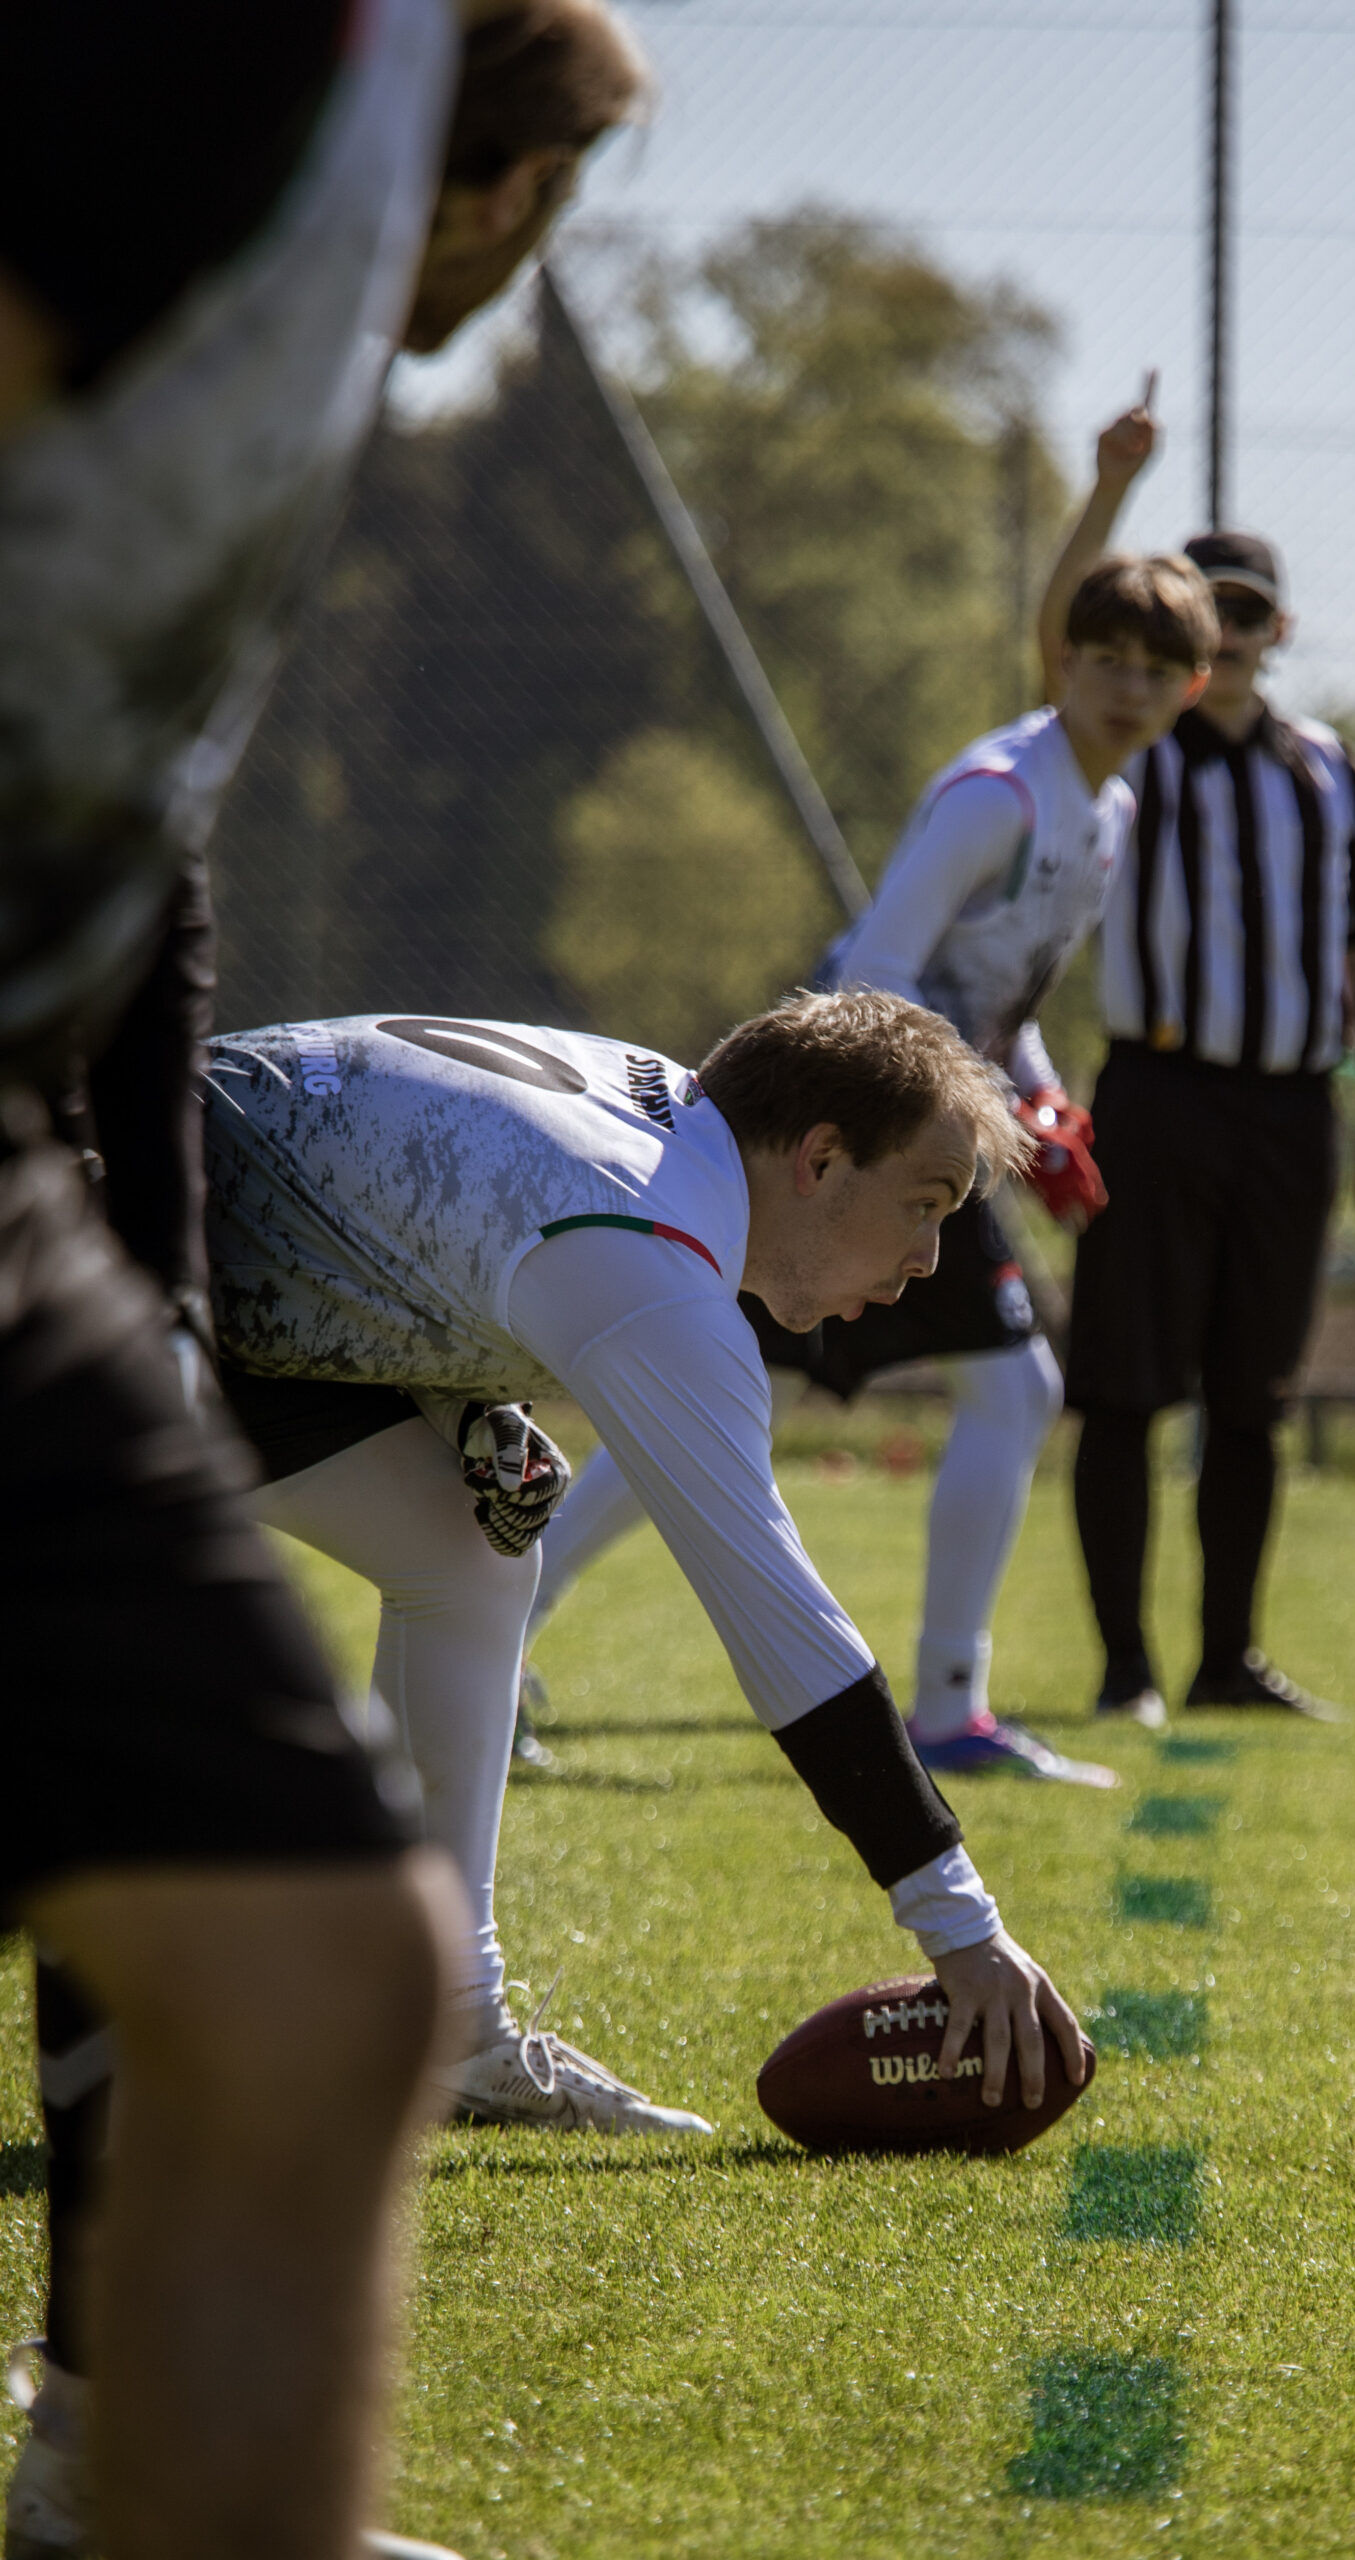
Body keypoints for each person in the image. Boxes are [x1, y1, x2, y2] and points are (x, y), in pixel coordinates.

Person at [1, 8, 650, 2556]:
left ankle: (105, 2463)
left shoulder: (301, 233)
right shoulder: (235, 54)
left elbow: (127, 830)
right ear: (508, 197)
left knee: (309, 1970)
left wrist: (143, 1266)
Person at [194, 992, 1088, 2140]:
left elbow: (400, 1192)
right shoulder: (653, 1255)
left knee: (463, 1555)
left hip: (191, 1235)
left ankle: (445, 2031)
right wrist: (959, 1926)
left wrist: (456, 1393)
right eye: (923, 1207)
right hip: (101, 1227)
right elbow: (783, 1628)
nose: (927, 1259)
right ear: (818, 1158)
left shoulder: (662, 1122)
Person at [526, 493, 1217, 1785]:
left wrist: (1044, 1104)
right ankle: (948, 1710)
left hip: (920, 1118)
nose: (1129, 687)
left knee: (738, 1378)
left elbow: (999, 1004)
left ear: (1195, 683)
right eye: (1104, 659)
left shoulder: (1105, 813)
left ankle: (519, 1631)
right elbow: (882, 981)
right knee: (994, 1387)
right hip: (859, 1122)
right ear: (1059, 660)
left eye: (1157, 668)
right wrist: (983, 1127)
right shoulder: (998, 799)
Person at [1038, 461, 1355, 1727]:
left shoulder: (1326, 772)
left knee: (1251, 1399)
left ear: (1279, 629)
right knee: (1121, 1387)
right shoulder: (1128, 750)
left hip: (1287, 1110)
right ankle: (1123, 1667)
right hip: (1154, 1097)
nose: (1237, 635)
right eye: (1214, 611)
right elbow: (1059, 645)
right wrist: (1105, 494)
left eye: (1252, 613)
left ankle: (1225, 1657)